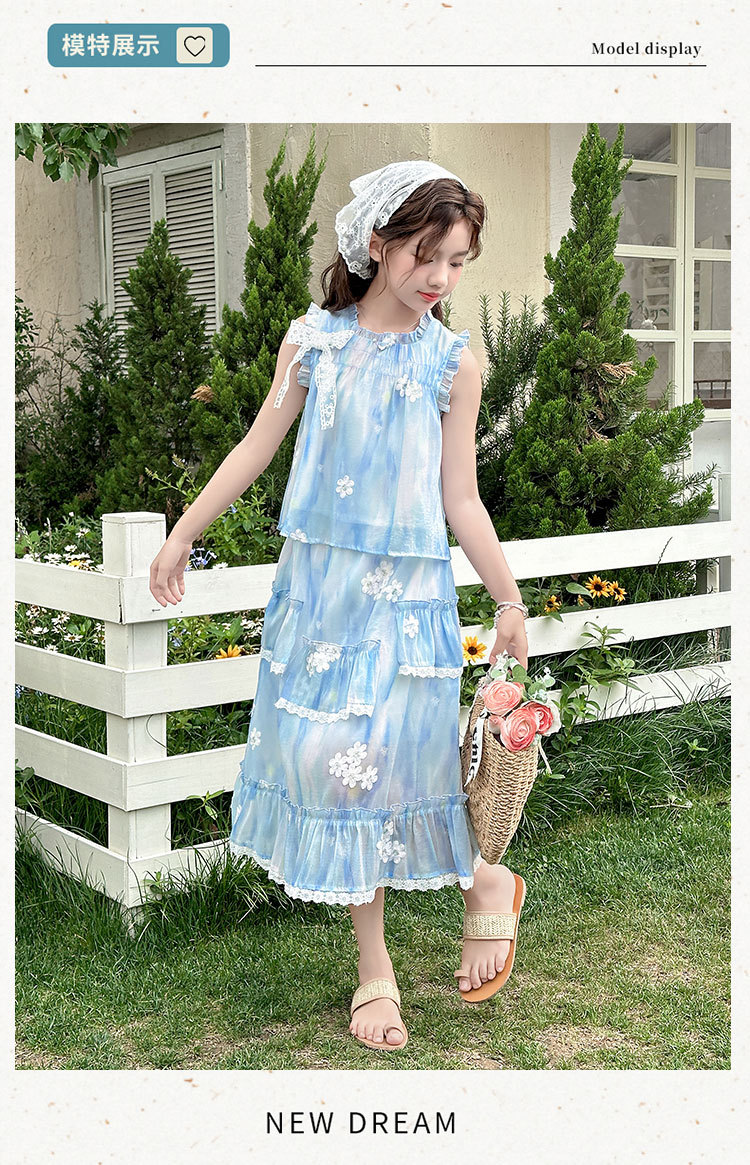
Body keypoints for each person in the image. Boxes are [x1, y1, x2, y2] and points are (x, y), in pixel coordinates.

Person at [149, 159, 530, 1053]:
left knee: (401, 768)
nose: (440, 277)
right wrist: (182, 533)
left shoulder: (453, 362)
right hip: (322, 595)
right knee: (333, 765)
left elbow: (461, 496)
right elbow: (256, 446)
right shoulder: (312, 343)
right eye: (426, 255)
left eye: (457, 261)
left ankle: (408, 943)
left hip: (407, 598)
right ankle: (447, 908)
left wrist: (507, 597)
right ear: (377, 243)